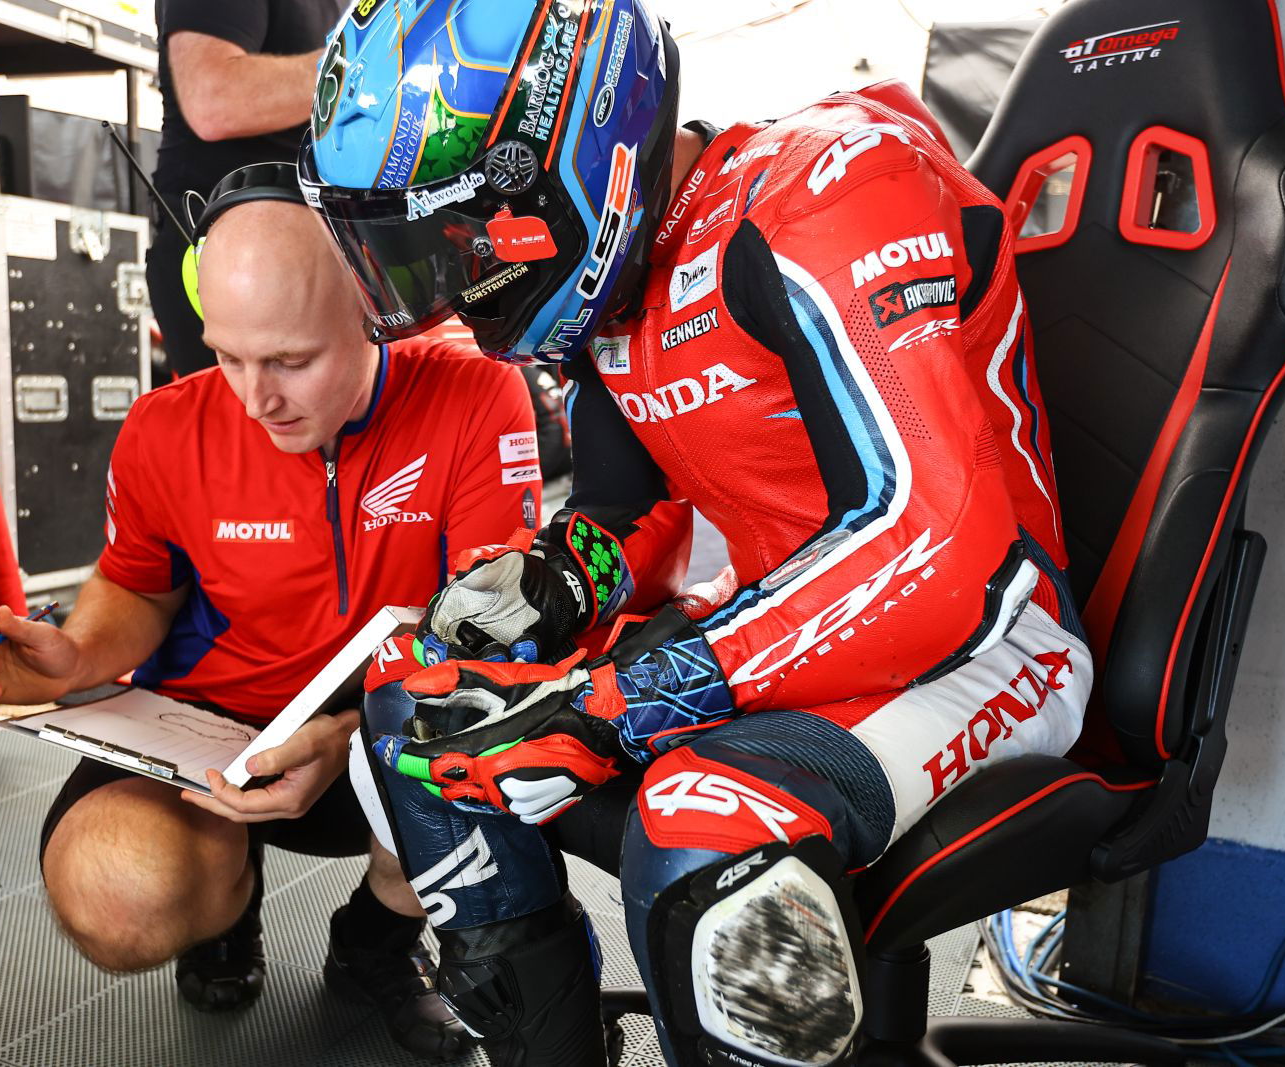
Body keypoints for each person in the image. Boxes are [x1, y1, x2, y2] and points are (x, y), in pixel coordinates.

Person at [302, 2, 1093, 1065]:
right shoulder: (614, 279)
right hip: (788, 631)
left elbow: (936, 541)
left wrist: (620, 705)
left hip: (987, 638)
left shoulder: (829, 190)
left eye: (461, 240)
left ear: (566, 152)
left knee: (702, 823)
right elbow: (626, 517)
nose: (451, 288)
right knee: (419, 699)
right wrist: (548, 585)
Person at [0, 195, 544, 1061]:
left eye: (290, 361)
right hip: (204, 735)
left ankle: (376, 937)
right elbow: (137, 588)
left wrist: (350, 736)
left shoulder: (477, 395)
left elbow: (488, 640)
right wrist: (75, 654)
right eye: (227, 356)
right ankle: (224, 903)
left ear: (376, 311)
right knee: (114, 897)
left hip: (380, 732)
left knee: (508, 754)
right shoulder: (164, 425)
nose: (256, 397)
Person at [148, 0, 348, 376]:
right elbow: (213, 100)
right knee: (256, 410)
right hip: (230, 254)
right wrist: (360, 61)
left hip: (323, 246)